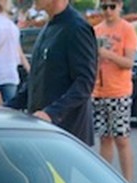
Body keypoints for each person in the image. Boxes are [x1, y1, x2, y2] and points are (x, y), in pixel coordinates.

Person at [7, 0, 97, 145]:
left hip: (67, 136)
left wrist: (52, 113)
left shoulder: (76, 28)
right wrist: (7, 107)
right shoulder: (49, 27)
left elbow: (84, 83)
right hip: (43, 130)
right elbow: (35, 79)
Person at [92, 0, 136, 181]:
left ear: (120, 6)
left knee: (121, 139)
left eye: (112, 7)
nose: (108, 11)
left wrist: (107, 54)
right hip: (100, 91)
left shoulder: (127, 29)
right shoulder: (97, 30)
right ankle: (104, 182)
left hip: (119, 92)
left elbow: (129, 62)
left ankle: (128, 182)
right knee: (105, 139)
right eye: (104, 7)